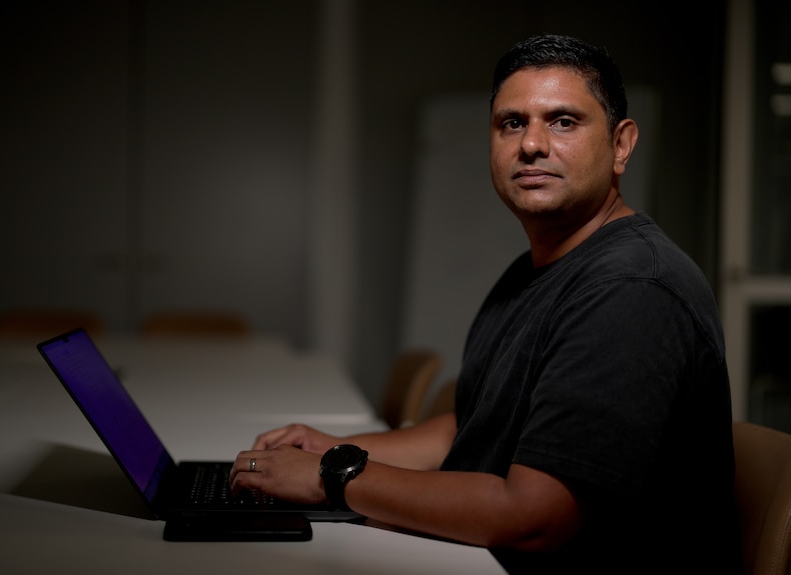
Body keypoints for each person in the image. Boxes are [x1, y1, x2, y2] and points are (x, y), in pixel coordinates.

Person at [229, 34, 742, 574]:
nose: (531, 145)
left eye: (564, 121)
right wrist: (333, 446)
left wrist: (334, 476)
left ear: (621, 144)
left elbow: (533, 518)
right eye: (511, 123)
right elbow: (469, 426)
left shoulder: (632, 289)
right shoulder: (533, 271)